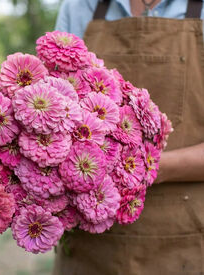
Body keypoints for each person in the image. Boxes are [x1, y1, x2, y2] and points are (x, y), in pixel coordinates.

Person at [53, 0, 204, 274]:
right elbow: (52, 113)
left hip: (184, 239)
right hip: (89, 246)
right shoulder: (80, 6)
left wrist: (133, 171)